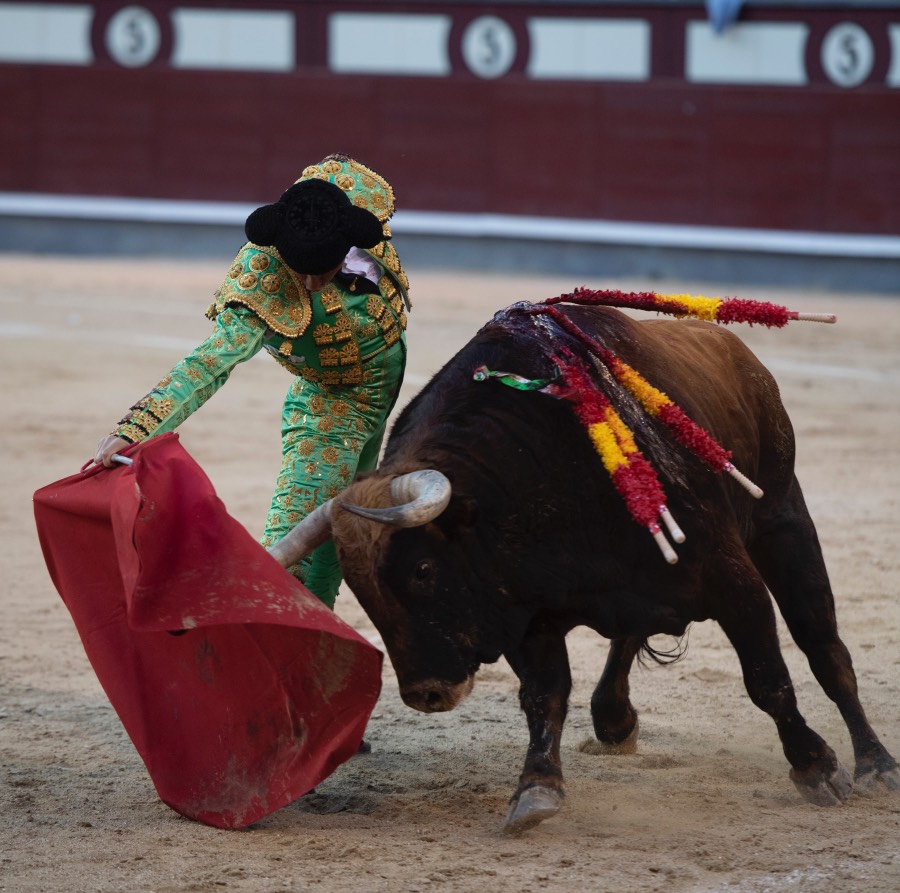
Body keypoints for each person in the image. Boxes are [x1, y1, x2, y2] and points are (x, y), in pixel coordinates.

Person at [94, 154, 410, 610]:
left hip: (384, 396)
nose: (309, 282)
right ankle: (283, 648)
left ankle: (315, 636)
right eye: (300, 270)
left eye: (319, 271)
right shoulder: (259, 283)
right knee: (295, 546)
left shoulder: (355, 198)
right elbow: (208, 364)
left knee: (349, 530)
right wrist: (136, 429)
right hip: (331, 403)